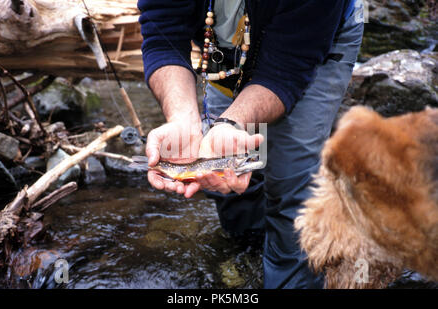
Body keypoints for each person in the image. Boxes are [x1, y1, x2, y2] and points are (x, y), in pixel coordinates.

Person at [137, 0, 364, 288]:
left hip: (313, 36)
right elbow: (163, 34)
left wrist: (231, 124)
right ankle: (250, 250)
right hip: (222, 40)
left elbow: (285, 71)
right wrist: (182, 118)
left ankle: (290, 277)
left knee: (290, 185)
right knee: (230, 167)